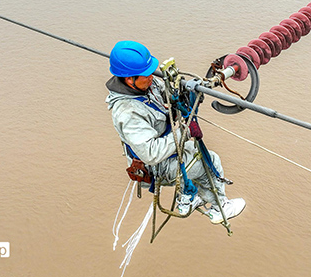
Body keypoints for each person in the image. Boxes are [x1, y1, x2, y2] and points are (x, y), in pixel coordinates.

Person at [105, 40, 246, 224]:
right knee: (209, 162)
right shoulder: (127, 112)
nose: (152, 77)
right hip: (156, 166)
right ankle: (220, 208)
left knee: (199, 154)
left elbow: (168, 93)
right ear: (128, 79)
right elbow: (151, 153)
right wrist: (183, 131)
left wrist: (190, 90)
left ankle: (188, 198)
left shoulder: (146, 84)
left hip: (168, 148)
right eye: (146, 74)